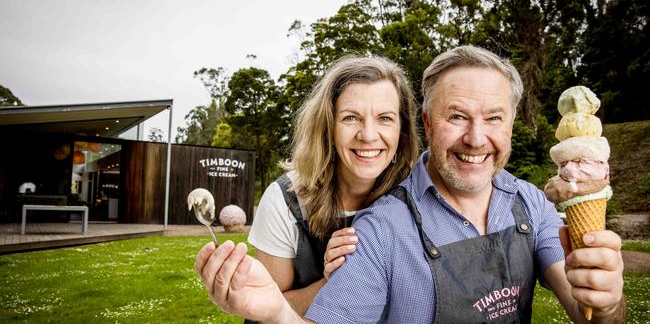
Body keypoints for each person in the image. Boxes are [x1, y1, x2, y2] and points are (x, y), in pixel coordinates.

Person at [195, 46, 626, 324]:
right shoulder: (377, 225)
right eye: (456, 116)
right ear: (427, 123)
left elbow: (589, 311)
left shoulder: (529, 202)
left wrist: (606, 303)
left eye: (494, 118)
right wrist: (274, 312)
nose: (476, 139)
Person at [241, 55, 420, 317]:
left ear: (402, 129)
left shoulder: (416, 195)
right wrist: (334, 282)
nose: (368, 135)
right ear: (328, 126)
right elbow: (264, 310)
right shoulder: (285, 200)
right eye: (350, 118)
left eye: (385, 118)